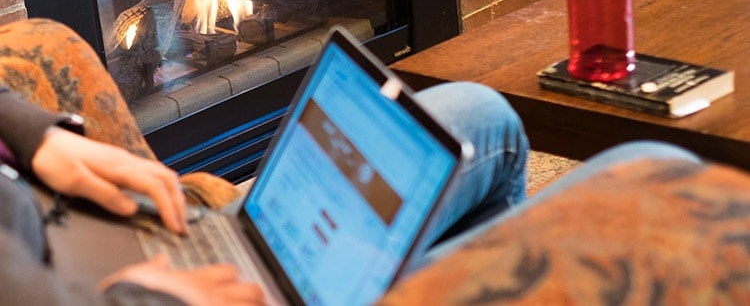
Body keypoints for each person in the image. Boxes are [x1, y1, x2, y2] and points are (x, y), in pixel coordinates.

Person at [0, 78, 530, 305]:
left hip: (50, 227)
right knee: (604, 171)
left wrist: (30, 132)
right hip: (85, 287)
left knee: (481, 113)